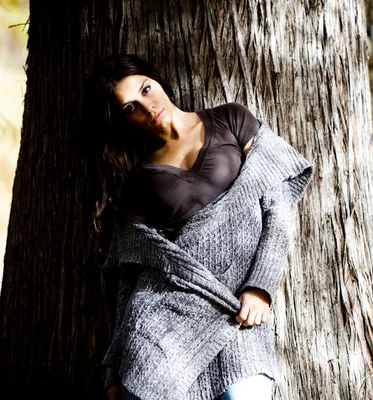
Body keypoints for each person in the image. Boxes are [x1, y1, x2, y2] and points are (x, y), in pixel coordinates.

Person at [84, 54, 313, 400]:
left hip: (237, 309)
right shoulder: (138, 180)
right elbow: (129, 273)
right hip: (164, 327)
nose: (148, 106)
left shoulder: (230, 119)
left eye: (147, 89)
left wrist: (261, 285)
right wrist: (115, 370)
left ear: (158, 79)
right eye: (131, 107)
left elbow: (279, 203)